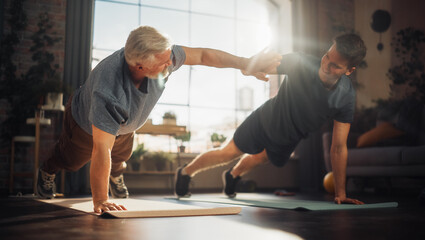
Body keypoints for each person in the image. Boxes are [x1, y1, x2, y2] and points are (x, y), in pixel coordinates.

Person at [36, 26, 282, 213]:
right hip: (85, 126)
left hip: (126, 124)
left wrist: (244, 63)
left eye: (169, 59)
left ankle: (116, 176)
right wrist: (101, 200)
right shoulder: (108, 90)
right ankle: (47, 171)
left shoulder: (163, 55)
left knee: (121, 155)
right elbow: (101, 149)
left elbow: (205, 55)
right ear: (140, 66)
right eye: (165, 63)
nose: (171, 64)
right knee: (72, 159)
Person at [175, 33, 367, 205]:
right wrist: (253, 65)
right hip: (264, 119)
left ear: (349, 70)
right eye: (326, 57)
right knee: (228, 153)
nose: (326, 65)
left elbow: (339, 146)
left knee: (260, 157)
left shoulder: (345, 97)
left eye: (335, 65)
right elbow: (250, 68)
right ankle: (185, 172)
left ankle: (232, 175)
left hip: (289, 137)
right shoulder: (300, 62)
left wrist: (341, 193)